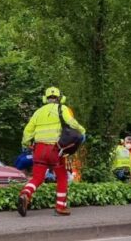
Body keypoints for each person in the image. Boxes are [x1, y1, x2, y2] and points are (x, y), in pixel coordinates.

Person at [17, 87, 86, 217]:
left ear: (45, 98)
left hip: (39, 150)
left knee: (37, 178)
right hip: (55, 150)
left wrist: (25, 144)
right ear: (60, 98)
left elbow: (27, 131)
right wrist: (82, 132)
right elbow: (71, 123)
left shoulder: (38, 112)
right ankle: (60, 207)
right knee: (62, 177)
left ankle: (25, 194)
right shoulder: (62, 108)